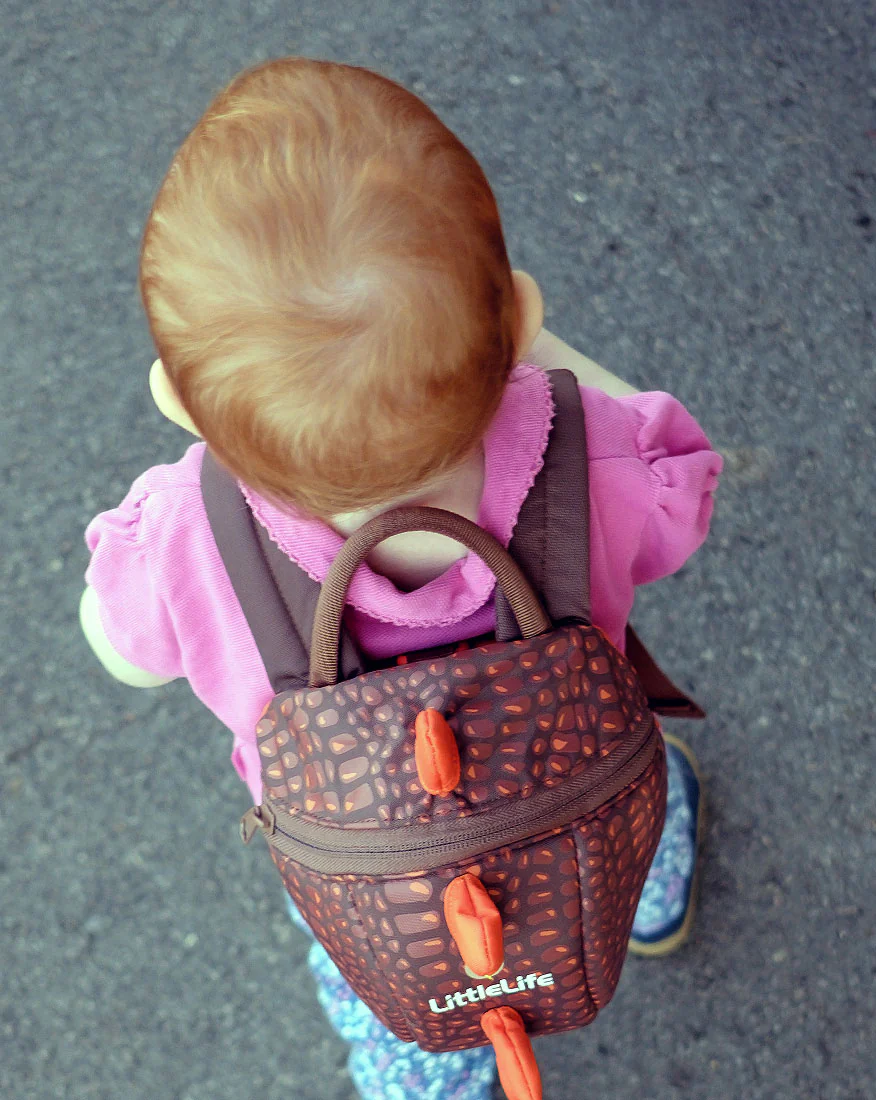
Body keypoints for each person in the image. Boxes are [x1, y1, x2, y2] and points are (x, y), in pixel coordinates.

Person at [80, 57, 722, 1100]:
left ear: (178, 401)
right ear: (515, 318)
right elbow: (685, 481)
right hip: (577, 785)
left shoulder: (181, 539)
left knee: (380, 952)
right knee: (623, 802)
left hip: (369, 852)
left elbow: (116, 649)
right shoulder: (598, 458)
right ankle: (648, 888)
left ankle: (433, 1067)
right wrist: (528, 358)